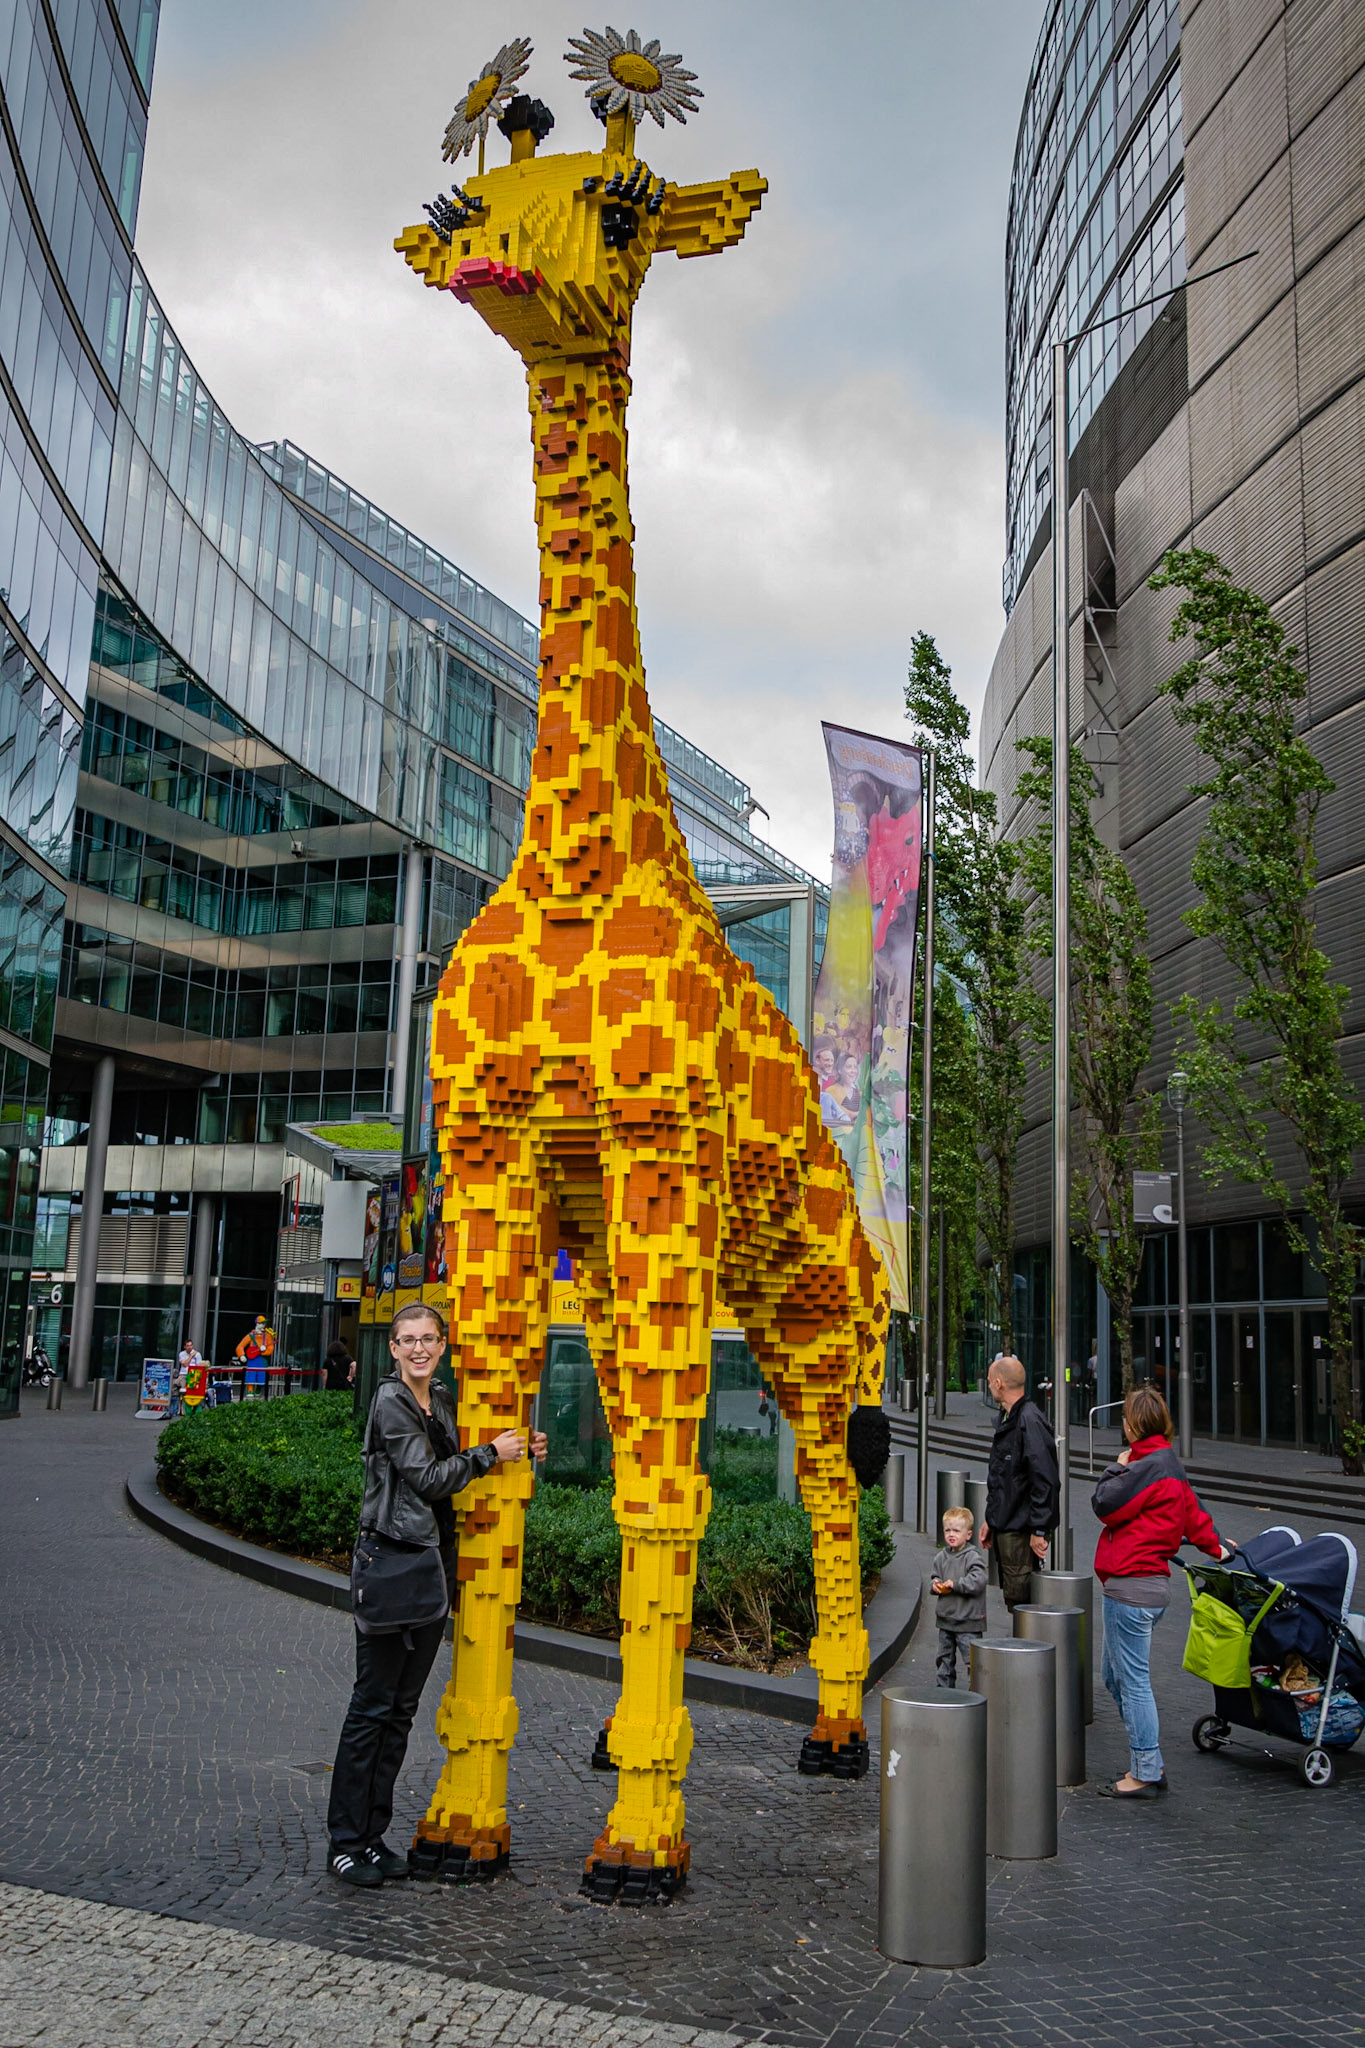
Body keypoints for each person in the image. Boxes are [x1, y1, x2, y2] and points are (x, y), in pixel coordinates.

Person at [325, 1301, 548, 1888]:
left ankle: (372, 1838)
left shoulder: (439, 1400)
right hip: (390, 1565)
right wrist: (488, 1456)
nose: (419, 1348)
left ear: (442, 1344)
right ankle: (345, 1843)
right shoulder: (390, 1401)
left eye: (428, 1339)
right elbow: (427, 1478)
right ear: (393, 1350)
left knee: (399, 1713)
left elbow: (456, 1462)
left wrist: (517, 1449)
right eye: (408, 1340)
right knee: (371, 1709)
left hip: (426, 1572)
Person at [1092, 1384, 1232, 1800]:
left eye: (1124, 1419)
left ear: (1134, 1424)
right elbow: (1194, 1513)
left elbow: (1105, 1503)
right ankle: (1148, 1758)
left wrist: (1117, 1467)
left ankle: (1146, 1769)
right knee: (1114, 1677)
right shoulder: (1168, 1464)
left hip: (1130, 1589)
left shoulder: (1143, 1468)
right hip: (1148, 1589)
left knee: (1133, 1683)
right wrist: (1218, 1547)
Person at [979, 1354, 1059, 1611]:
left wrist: (1038, 1530)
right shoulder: (1013, 1418)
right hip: (1010, 1524)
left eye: (991, 1381)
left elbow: (1044, 1478)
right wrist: (992, 1518)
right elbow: (1004, 1477)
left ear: (999, 1383)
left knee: (1021, 1601)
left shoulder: (1028, 1421)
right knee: (1015, 1597)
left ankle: (1026, 1649)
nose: (990, 1385)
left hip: (1020, 1529)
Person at [931, 1505, 987, 1688]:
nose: (951, 1534)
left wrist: (956, 1584)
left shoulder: (972, 1556)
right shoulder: (941, 1557)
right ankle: (944, 1693)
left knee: (973, 1661)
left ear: (968, 1534)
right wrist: (936, 1585)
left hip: (968, 1620)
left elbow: (978, 1581)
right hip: (946, 1619)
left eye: (956, 1530)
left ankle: (977, 1691)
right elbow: (935, 1576)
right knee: (944, 1660)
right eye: (947, 1530)